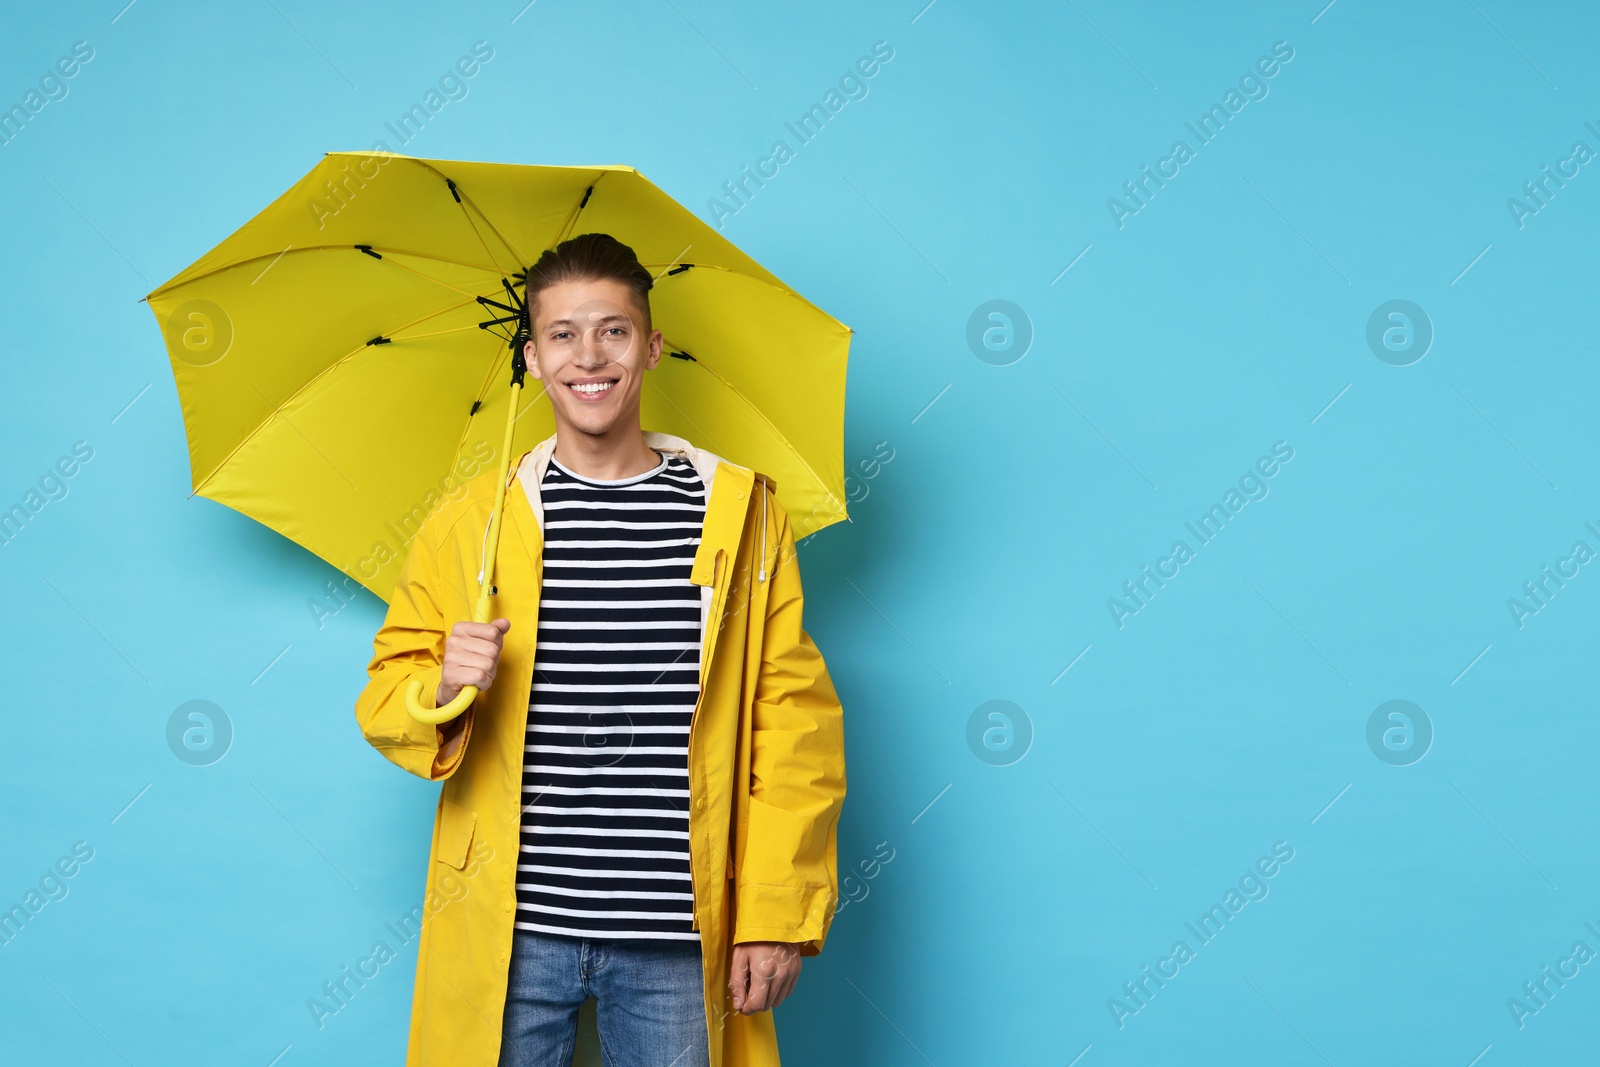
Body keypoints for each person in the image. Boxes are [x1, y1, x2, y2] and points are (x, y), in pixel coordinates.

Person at [353, 232, 846, 1067]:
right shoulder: (473, 522)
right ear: (533, 358)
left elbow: (790, 722)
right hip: (515, 926)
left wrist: (773, 913)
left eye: (613, 330)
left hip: (678, 934)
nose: (590, 355)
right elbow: (384, 696)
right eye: (562, 334)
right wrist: (441, 682)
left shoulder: (744, 514)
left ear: (651, 348)